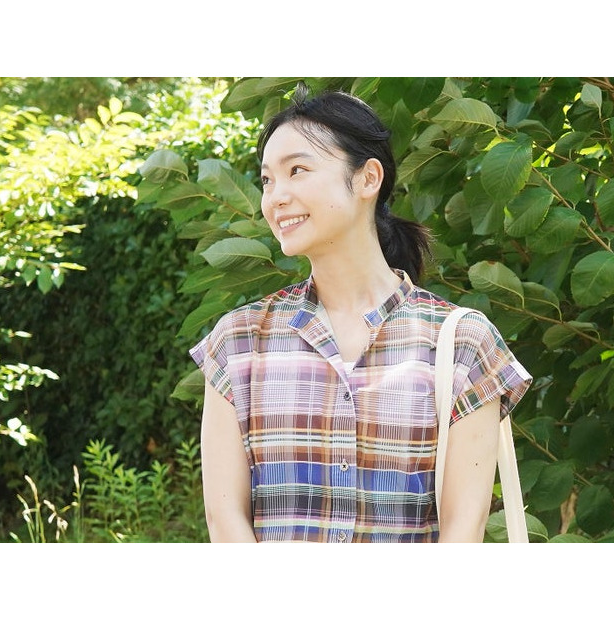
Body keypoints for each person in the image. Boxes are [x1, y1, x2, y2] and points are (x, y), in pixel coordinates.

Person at [190, 85, 532, 543]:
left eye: (297, 170)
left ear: (368, 178)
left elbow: (462, 532)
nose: (275, 197)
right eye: (268, 180)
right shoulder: (238, 340)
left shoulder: (463, 344)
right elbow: (225, 520)